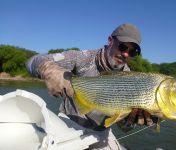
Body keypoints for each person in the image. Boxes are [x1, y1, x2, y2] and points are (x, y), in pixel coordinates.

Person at [26, 23, 157, 150]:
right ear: (110, 40)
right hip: (67, 125)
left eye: (133, 51)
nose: (126, 54)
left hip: (101, 133)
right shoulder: (82, 58)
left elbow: (123, 127)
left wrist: (132, 120)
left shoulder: (132, 80)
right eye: (122, 47)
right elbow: (33, 60)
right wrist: (50, 71)